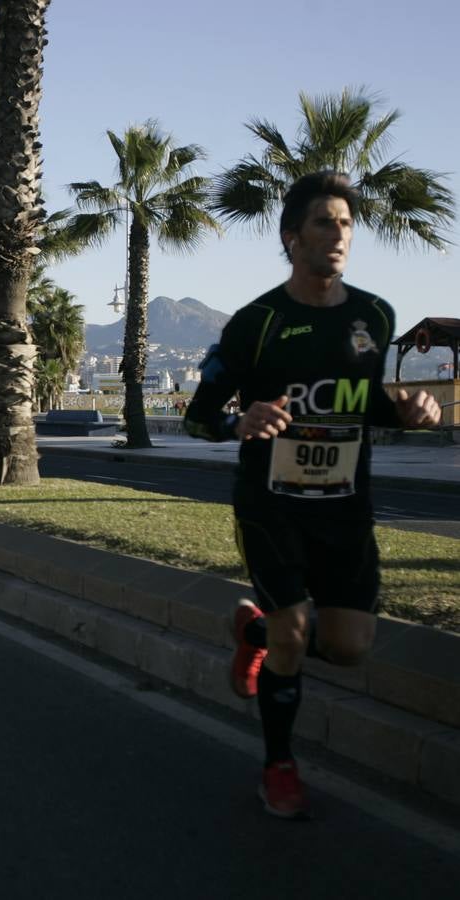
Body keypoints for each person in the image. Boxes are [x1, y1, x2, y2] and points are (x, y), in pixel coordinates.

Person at [183, 171, 442, 820]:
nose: (339, 235)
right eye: (325, 223)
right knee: (297, 632)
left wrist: (405, 412)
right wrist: (236, 422)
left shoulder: (374, 315)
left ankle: (259, 635)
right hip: (271, 506)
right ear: (291, 237)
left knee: (350, 647)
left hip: (347, 511)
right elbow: (197, 417)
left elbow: (361, 405)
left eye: (348, 223)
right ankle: (279, 764)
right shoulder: (257, 323)